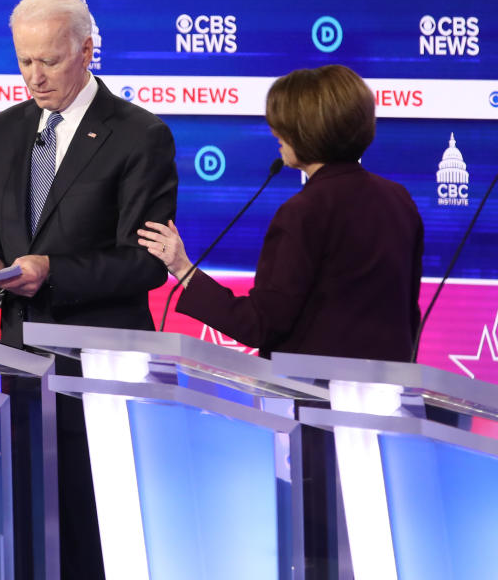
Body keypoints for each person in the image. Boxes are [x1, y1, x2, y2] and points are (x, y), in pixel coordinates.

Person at [138, 64, 423, 579]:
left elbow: (263, 322)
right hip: (385, 413)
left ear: (305, 128)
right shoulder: (397, 200)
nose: (275, 136)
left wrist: (183, 271)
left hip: (317, 415)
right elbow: (409, 312)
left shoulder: (304, 212)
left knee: (319, 550)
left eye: (281, 125)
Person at [0, 0, 178, 579]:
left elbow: (146, 264)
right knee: (25, 527)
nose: (34, 76)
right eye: (23, 61)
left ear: (87, 51)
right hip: (21, 363)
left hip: (101, 368)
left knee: (94, 535)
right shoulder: (4, 131)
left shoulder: (139, 135)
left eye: (50, 61)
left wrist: (51, 272)